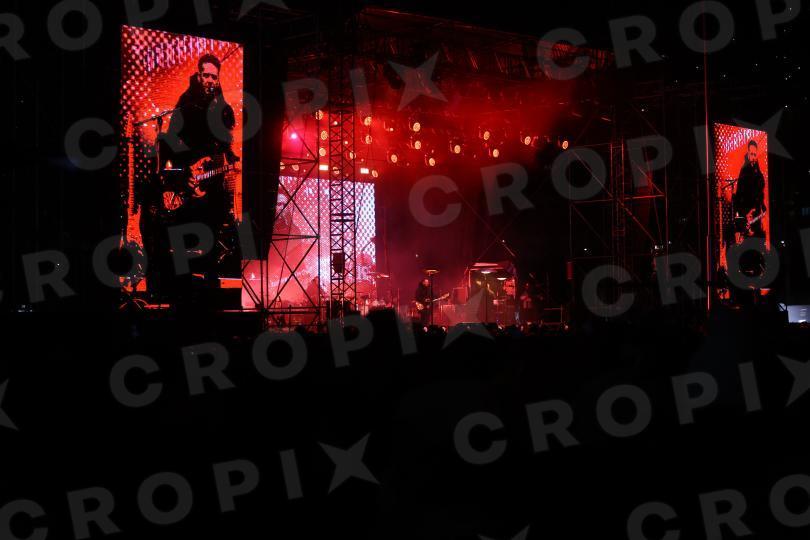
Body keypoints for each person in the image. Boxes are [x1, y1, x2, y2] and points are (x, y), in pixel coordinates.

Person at [732, 140, 766, 238]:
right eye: (752, 154)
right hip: (747, 209)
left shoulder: (757, 169)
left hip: (756, 209)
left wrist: (762, 205)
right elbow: (740, 193)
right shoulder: (744, 170)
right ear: (748, 153)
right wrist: (744, 212)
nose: (753, 157)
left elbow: (761, 186)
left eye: (755, 154)